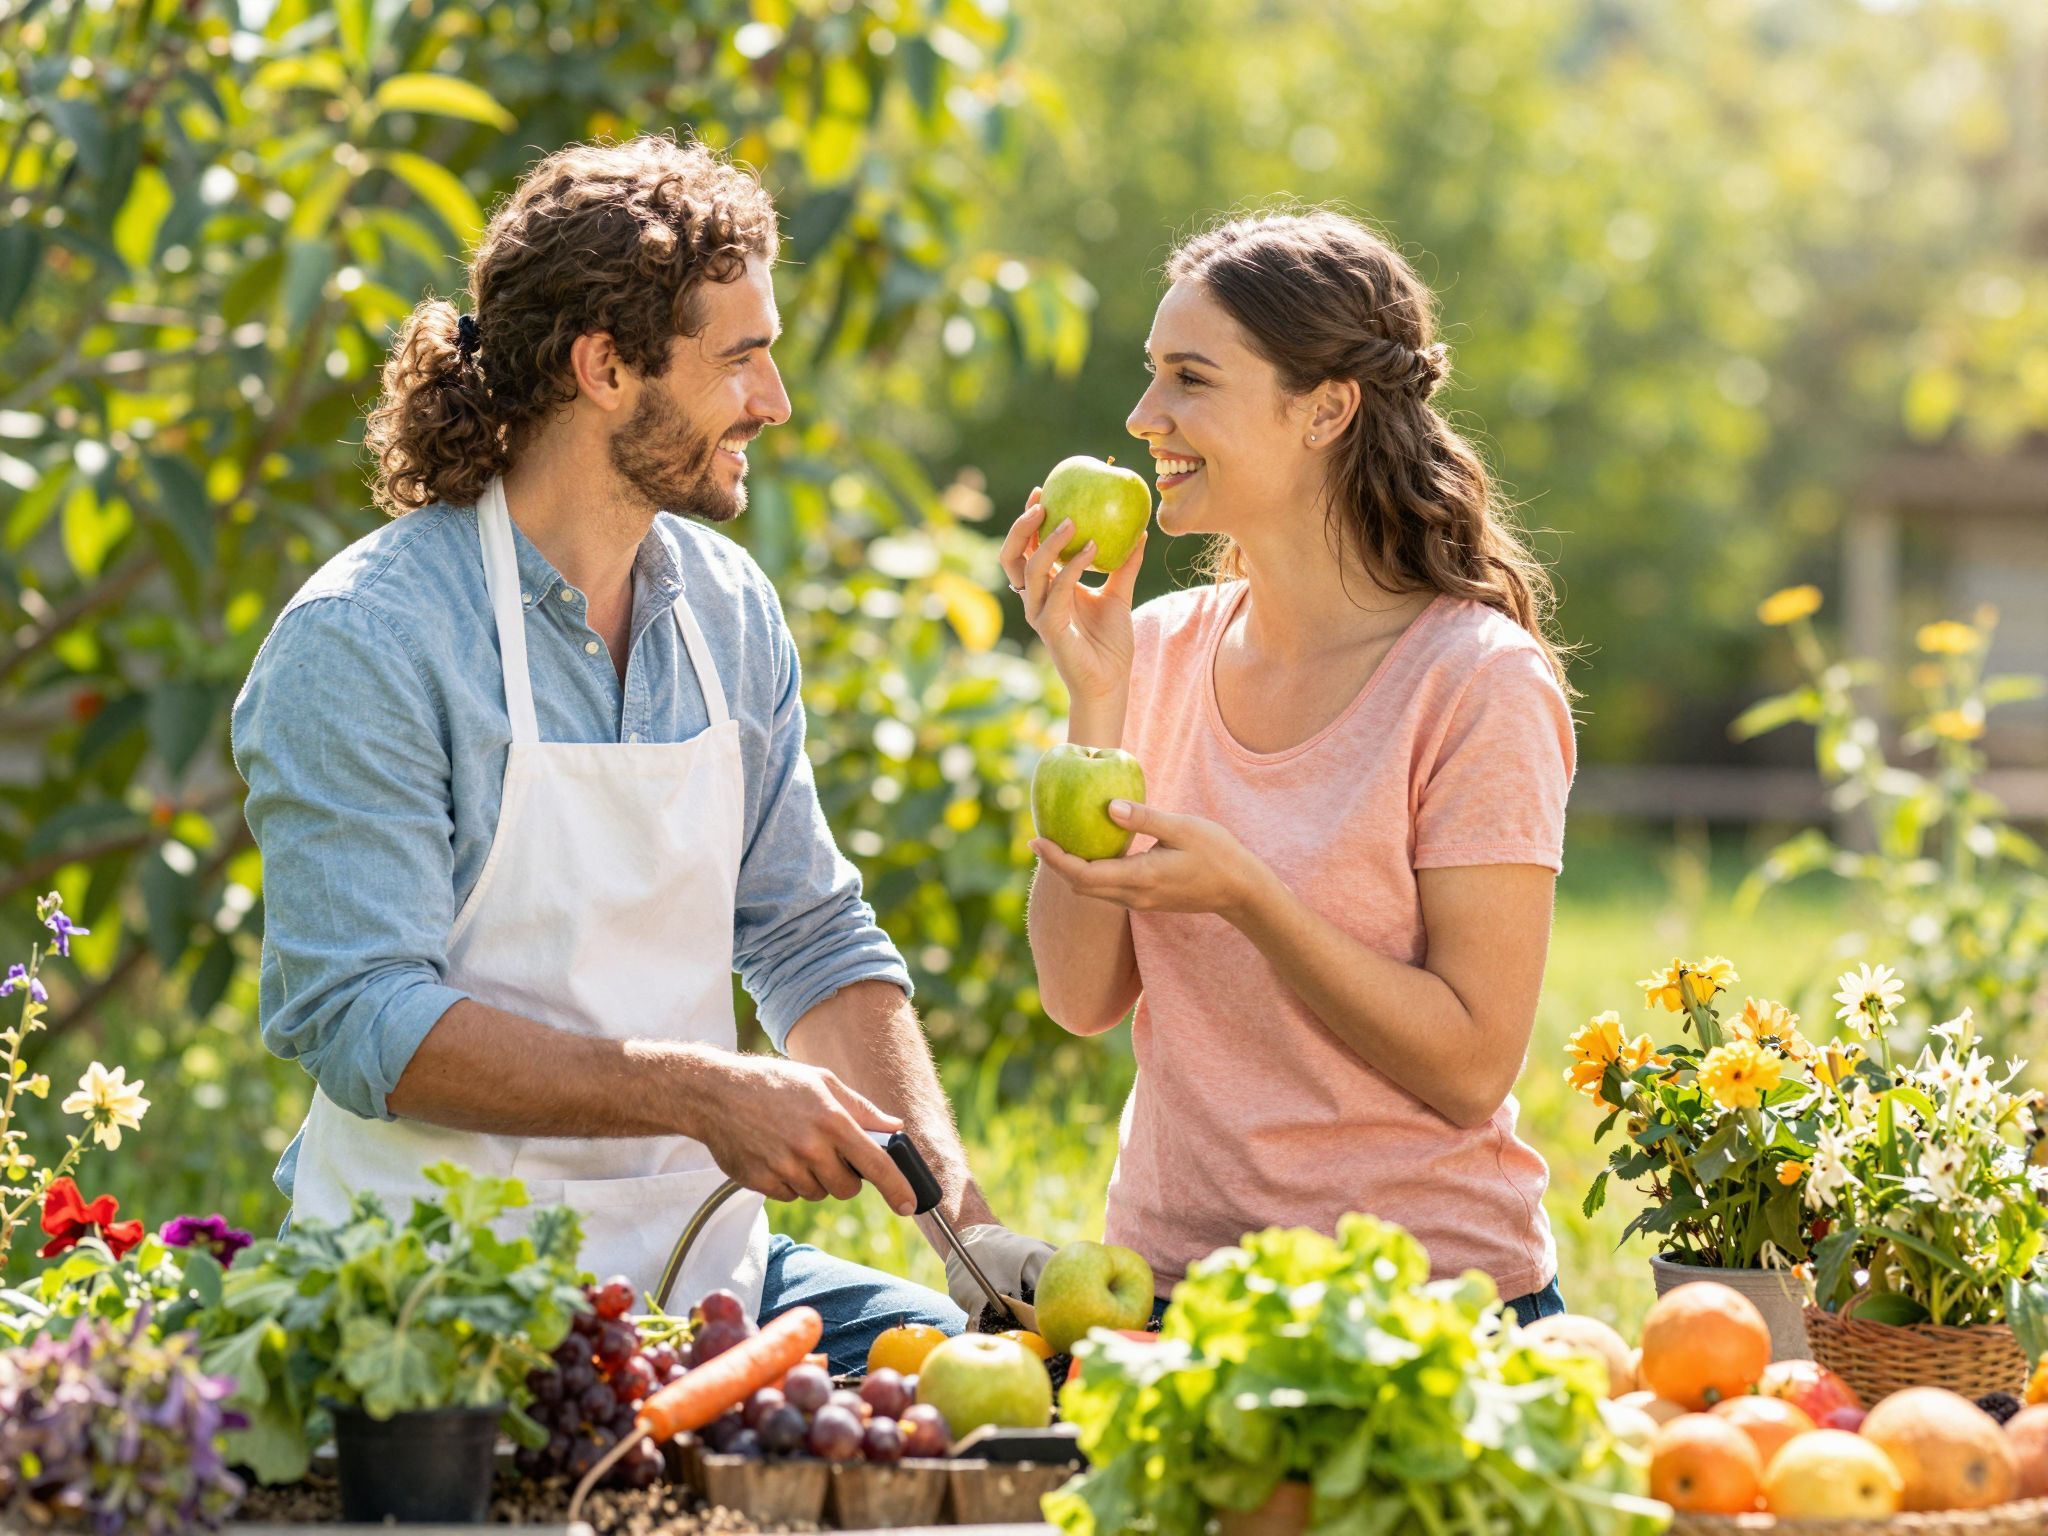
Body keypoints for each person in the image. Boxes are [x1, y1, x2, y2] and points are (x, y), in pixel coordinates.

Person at [231, 135, 1040, 1370]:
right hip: (437, 1290)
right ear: (604, 366)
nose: (772, 403)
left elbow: (806, 934)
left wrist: (967, 1238)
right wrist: (701, 1092)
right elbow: (363, 1019)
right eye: (741, 359)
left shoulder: (723, 605)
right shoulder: (370, 639)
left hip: (703, 1272)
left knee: (992, 1380)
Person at [1002, 209, 1576, 1326]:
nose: (1141, 416)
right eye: (1148, 375)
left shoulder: (1473, 682)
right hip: (1170, 1293)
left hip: (1418, 1306)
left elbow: (1468, 1064)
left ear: (1323, 408)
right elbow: (1078, 998)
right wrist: (1095, 700)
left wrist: (1249, 898)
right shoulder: (1155, 651)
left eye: (1188, 379)